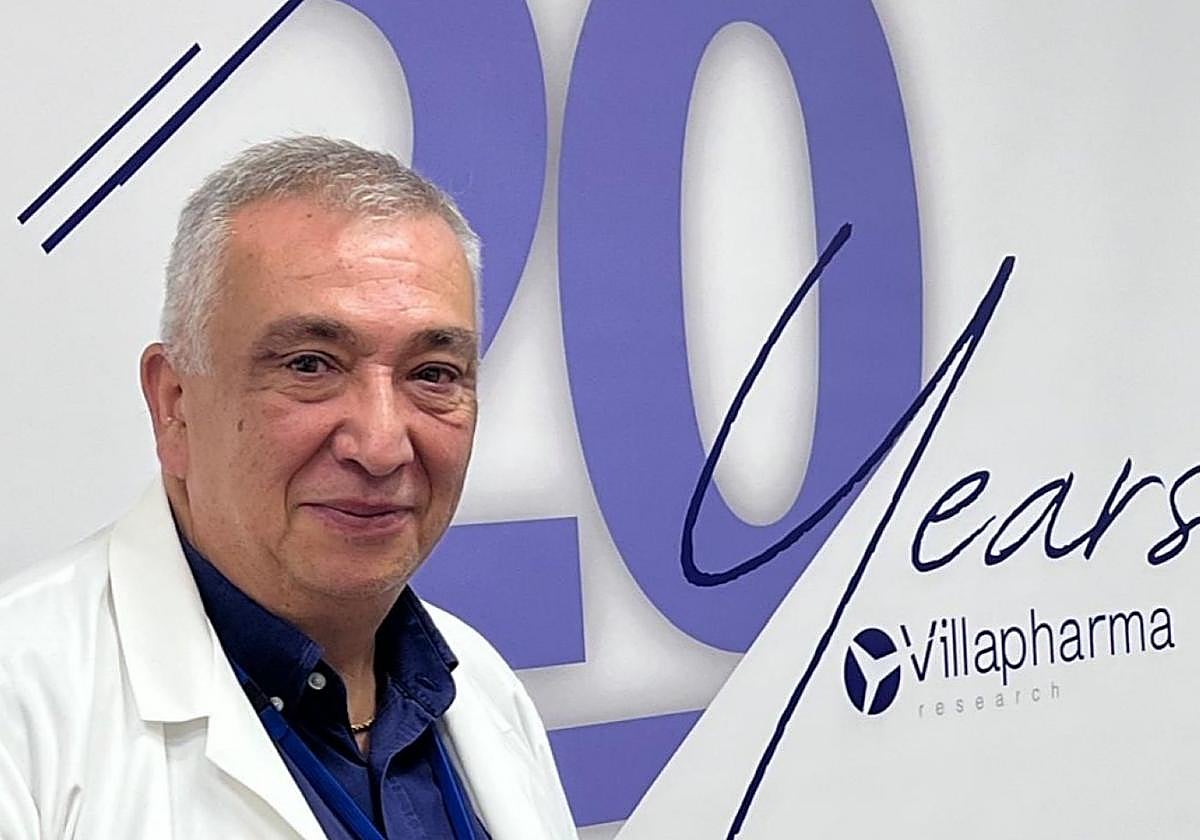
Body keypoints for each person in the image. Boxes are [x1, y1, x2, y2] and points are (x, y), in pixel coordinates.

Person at [0, 137, 577, 839]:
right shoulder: (23, 710)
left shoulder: (479, 688)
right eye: (310, 365)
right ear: (174, 405)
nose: (381, 445)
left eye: (432, 374)